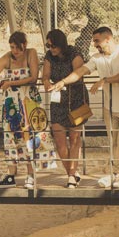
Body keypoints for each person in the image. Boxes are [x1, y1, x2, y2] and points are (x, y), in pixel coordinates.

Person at [49, 26, 119, 188]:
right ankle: (115, 174)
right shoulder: (97, 58)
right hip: (109, 106)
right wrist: (62, 82)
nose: (95, 44)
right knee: (113, 140)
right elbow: (80, 71)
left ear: (108, 39)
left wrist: (104, 80)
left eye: (97, 41)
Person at [0, 31, 45, 189]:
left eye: (17, 48)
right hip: (11, 104)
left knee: (30, 137)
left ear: (24, 45)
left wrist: (11, 83)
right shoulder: (6, 58)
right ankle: (11, 174)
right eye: (12, 47)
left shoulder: (31, 54)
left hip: (29, 101)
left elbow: (34, 78)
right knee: (10, 137)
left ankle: (31, 174)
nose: (15, 51)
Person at [41, 29, 88, 188]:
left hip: (77, 99)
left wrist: (63, 82)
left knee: (74, 139)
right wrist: (47, 82)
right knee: (59, 139)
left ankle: (72, 176)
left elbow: (79, 73)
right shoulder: (49, 56)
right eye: (48, 46)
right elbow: (45, 75)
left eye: (53, 45)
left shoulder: (75, 53)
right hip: (58, 99)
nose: (51, 49)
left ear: (61, 44)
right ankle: (72, 174)